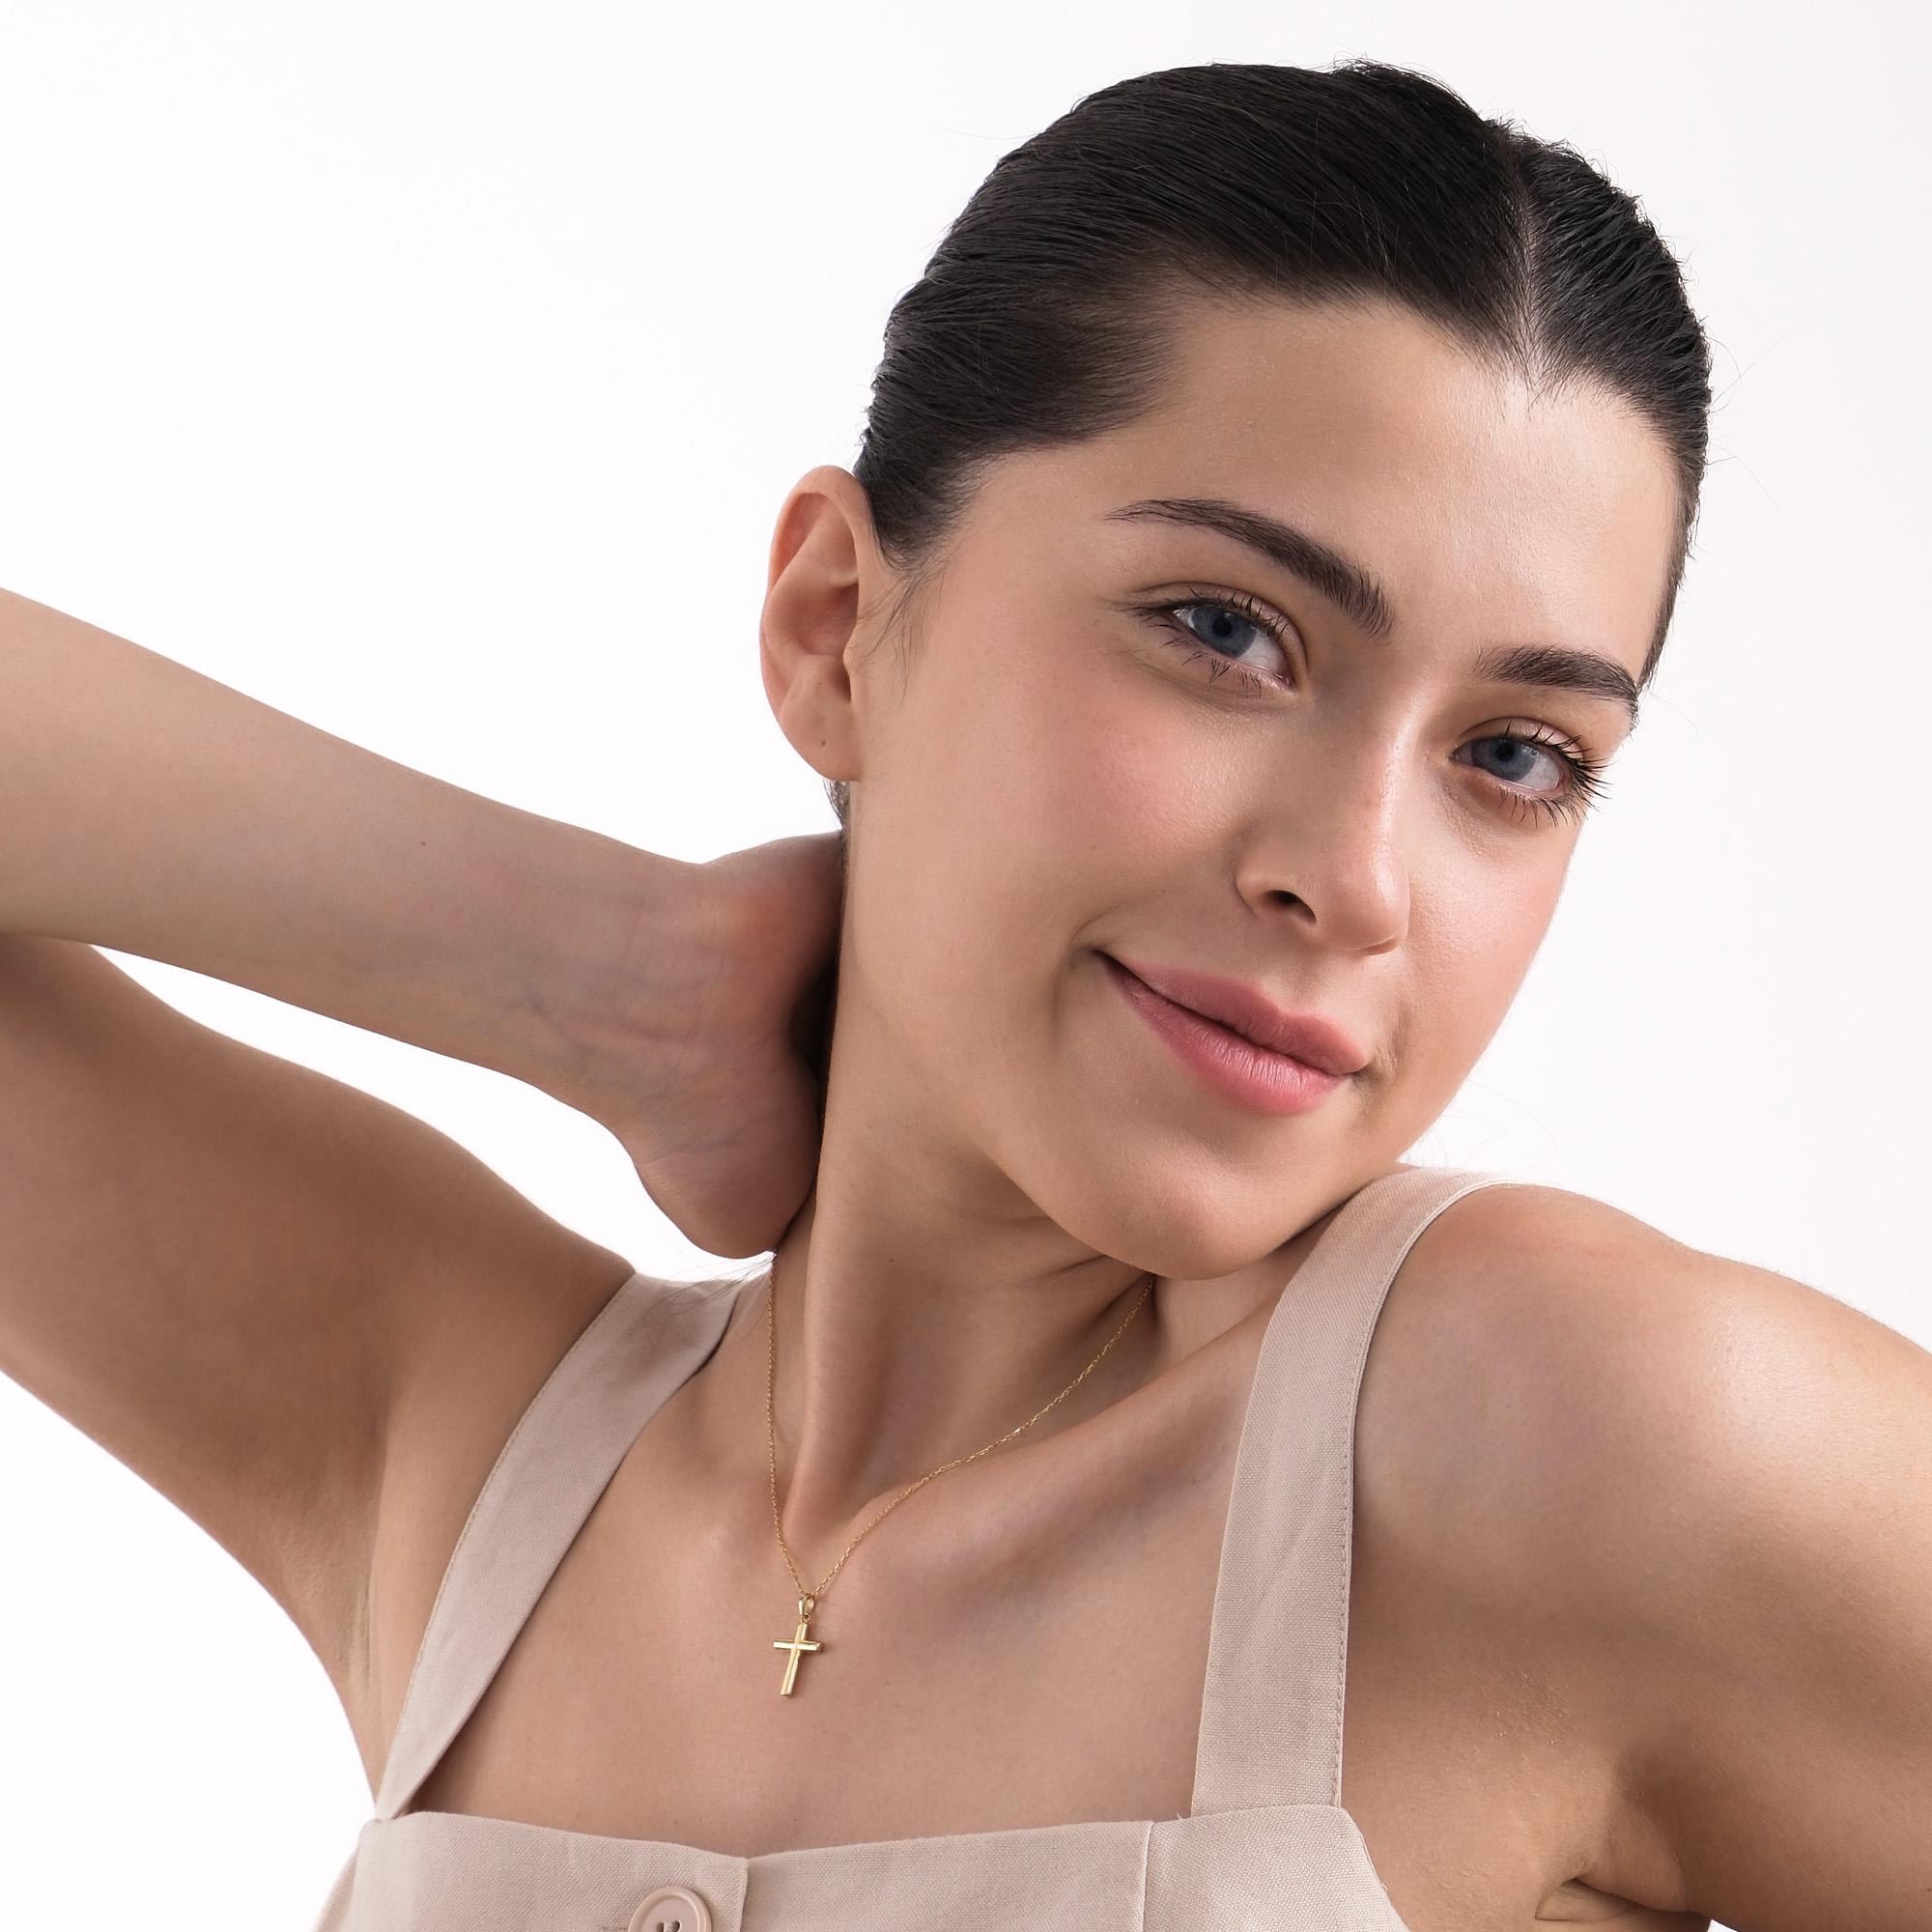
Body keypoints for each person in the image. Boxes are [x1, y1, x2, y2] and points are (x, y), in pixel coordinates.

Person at [2, 53, 1926, 1932]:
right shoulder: (465, 1448)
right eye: (1227, 631)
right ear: (839, 625)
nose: (1349, 881)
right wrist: (603, 968)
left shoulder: (1564, 1435)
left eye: (1513, 756)